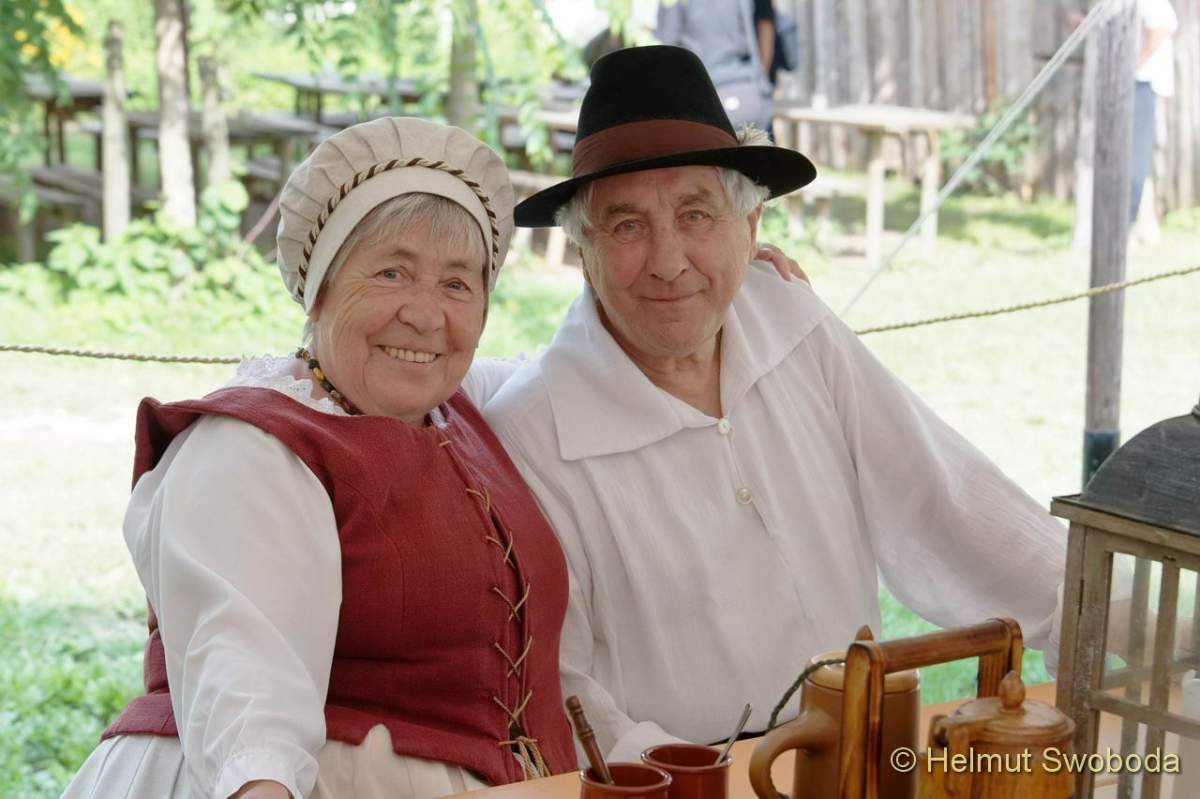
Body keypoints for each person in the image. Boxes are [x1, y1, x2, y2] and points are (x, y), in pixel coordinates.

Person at [482, 46, 1068, 761]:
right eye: (628, 225)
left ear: (751, 226)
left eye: (697, 215)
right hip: (682, 782)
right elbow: (565, 691)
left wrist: (1102, 612)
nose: (669, 261)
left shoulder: (793, 326)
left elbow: (943, 495)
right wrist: (719, 779)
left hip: (860, 755)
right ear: (583, 251)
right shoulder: (535, 433)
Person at [61, 117, 578, 799]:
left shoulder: (460, 411)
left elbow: (580, 371)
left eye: (458, 284)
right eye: (392, 272)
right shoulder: (250, 448)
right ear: (320, 288)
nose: (426, 315)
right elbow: (243, 673)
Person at [656, 0, 774, 132]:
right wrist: (761, 79)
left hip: (699, 90)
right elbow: (759, 29)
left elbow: (668, 39)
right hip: (745, 86)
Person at [1130, 0, 1177, 226]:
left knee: (1134, 158)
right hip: (1139, 82)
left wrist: (1135, 64)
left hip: (1142, 83)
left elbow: (1161, 26)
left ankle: (1126, 222)